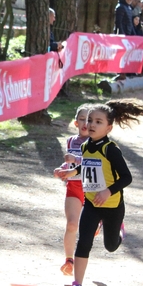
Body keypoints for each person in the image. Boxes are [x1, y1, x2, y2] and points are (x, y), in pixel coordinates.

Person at [54, 100, 143, 286]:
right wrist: (72, 172)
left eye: (98, 122)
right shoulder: (85, 147)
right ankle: (78, 283)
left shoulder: (111, 149)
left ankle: (120, 231)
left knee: (110, 246)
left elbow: (127, 177)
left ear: (108, 128)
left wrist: (108, 191)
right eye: (90, 120)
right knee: (84, 242)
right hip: (91, 203)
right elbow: (87, 166)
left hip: (112, 206)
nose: (91, 124)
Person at [53, 104, 91, 276]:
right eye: (82, 119)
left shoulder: (97, 142)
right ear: (76, 122)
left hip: (93, 189)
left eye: (90, 120)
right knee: (72, 224)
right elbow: (70, 163)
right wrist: (62, 169)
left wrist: (76, 158)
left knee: (88, 227)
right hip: (74, 187)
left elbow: (95, 164)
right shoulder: (70, 141)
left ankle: (104, 222)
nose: (86, 123)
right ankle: (69, 260)